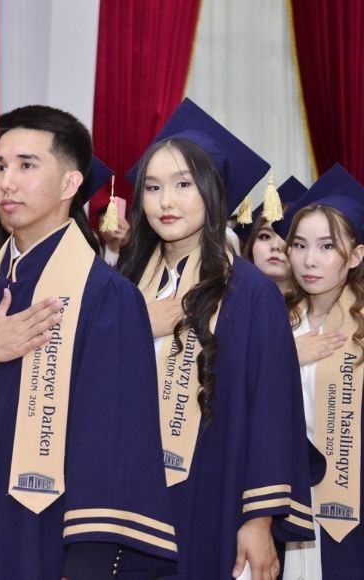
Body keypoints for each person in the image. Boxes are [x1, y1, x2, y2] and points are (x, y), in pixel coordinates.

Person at [0, 105, 176, 579]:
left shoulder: (105, 296)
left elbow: (114, 442)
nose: (6, 183)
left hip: (49, 533)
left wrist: (87, 565)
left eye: (27, 165)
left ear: (71, 184)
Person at [118, 98, 314, 579]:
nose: (166, 202)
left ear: (213, 191)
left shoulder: (250, 293)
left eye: (183, 184)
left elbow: (271, 410)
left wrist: (258, 519)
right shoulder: (123, 287)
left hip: (213, 489)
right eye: (153, 187)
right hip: (125, 492)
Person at [278, 164, 364, 579]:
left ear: (356, 256)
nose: (309, 260)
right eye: (299, 245)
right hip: (285, 495)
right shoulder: (273, 322)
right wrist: (283, 358)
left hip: (354, 495)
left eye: (327, 246)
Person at [239, 177, 307, 294]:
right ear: (250, 249)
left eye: (287, 237)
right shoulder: (229, 302)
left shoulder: (319, 306)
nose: (276, 246)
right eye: (265, 236)